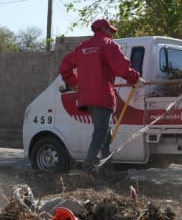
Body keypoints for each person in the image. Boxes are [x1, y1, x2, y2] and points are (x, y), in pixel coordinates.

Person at [58, 19, 138, 171]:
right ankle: (89, 168)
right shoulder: (108, 44)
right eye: (111, 31)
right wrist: (135, 78)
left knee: (105, 133)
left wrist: (74, 82)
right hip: (102, 96)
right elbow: (121, 67)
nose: (113, 35)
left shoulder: (83, 48)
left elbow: (65, 66)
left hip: (87, 98)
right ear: (105, 29)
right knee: (101, 133)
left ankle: (107, 170)